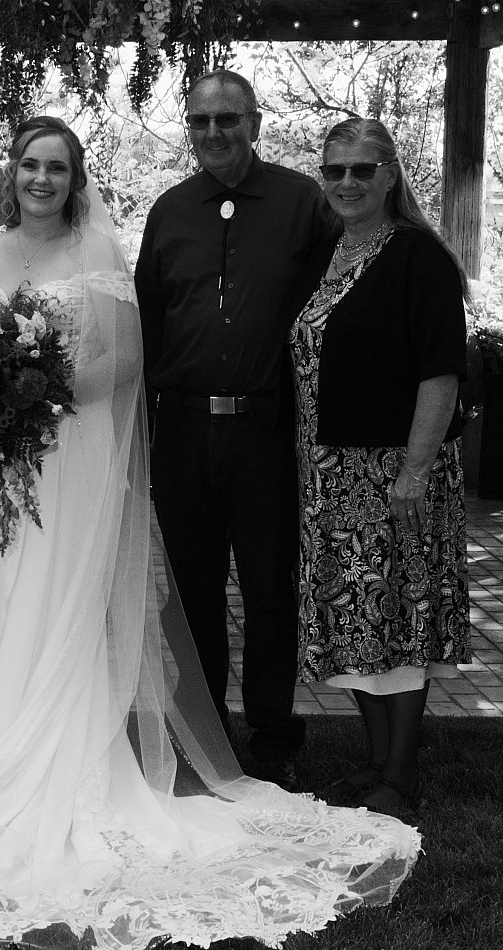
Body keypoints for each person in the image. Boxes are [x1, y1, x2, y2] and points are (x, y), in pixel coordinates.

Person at [0, 116, 419, 950]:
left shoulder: (100, 250)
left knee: (63, 606)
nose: (41, 179)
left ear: (75, 177)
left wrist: (36, 392)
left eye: (57, 166)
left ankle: (73, 763)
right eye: (29, 164)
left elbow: (125, 360)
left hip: (71, 455)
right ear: (12, 173)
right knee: (0, 606)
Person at [134, 70, 338, 791]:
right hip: (184, 431)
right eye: (200, 121)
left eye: (227, 119)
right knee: (190, 594)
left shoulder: (303, 203)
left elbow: (335, 304)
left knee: (269, 590)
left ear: (254, 122)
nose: (213, 132)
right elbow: (149, 323)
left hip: (266, 433)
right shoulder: (169, 211)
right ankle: (206, 733)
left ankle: (274, 737)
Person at [291, 117, 472, 821]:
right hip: (331, 473)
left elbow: (440, 373)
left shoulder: (419, 256)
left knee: (399, 615)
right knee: (354, 617)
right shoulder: (329, 252)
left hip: (394, 473)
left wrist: (414, 472)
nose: (346, 182)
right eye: (333, 170)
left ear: (390, 175)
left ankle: (399, 774)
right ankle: (377, 761)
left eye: (361, 169)